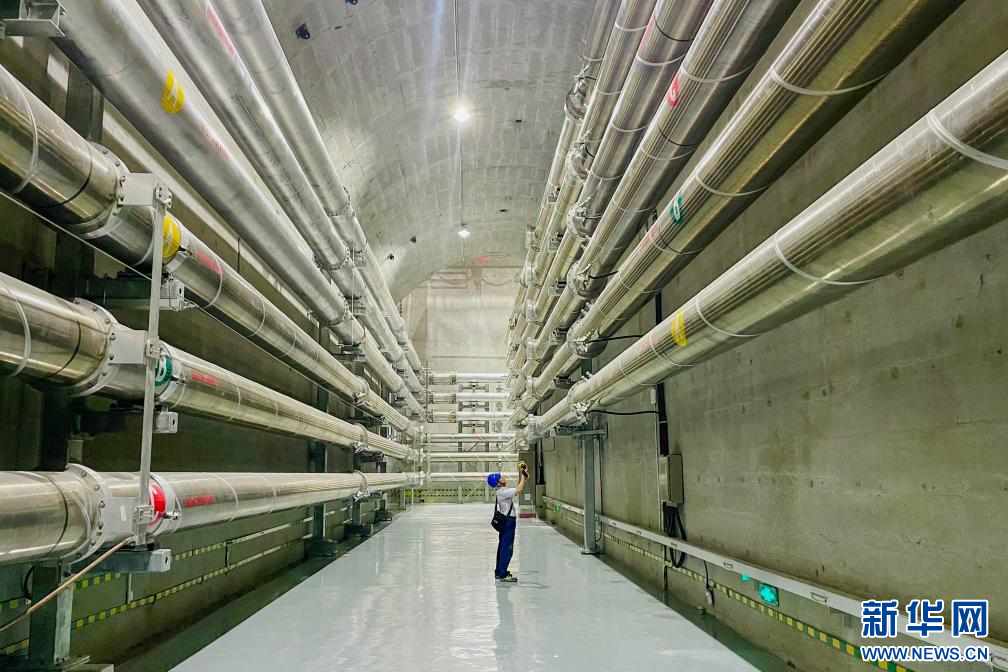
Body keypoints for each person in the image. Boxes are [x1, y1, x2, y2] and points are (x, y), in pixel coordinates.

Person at [488, 462, 529, 583]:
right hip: (508, 522)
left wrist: (524, 476)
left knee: (502, 546)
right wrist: (523, 477)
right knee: (507, 548)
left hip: (506, 522)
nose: (502, 477)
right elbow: (519, 489)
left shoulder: (503, 491)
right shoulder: (502, 492)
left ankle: (499, 572)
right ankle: (503, 574)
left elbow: (517, 488)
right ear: (498, 483)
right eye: (500, 477)